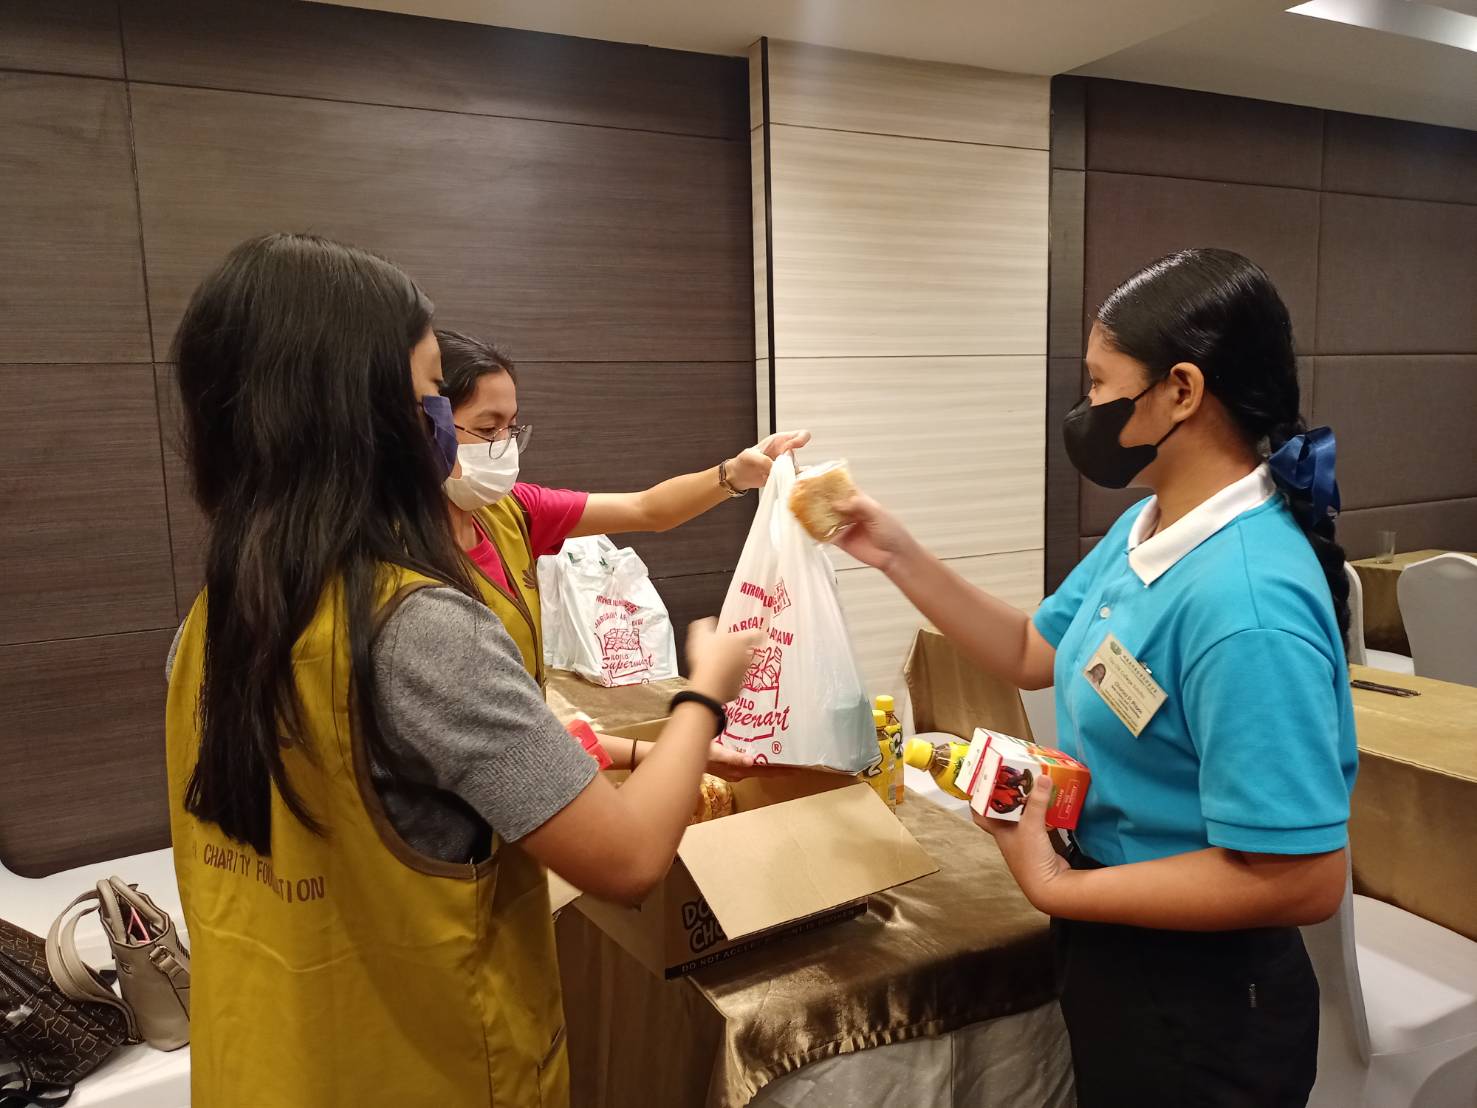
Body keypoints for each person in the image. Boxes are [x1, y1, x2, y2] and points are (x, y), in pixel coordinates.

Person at [164, 233, 761, 1108]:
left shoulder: (211, 622)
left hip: (268, 1066)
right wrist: (704, 693)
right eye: (427, 396)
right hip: (427, 1068)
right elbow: (628, 860)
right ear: (359, 419)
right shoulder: (416, 629)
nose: (444, 424)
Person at [834, 249, 1356, 1107]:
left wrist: (1052, 881)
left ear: (1180, 391)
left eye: (1099, 382)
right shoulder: (1149, 525)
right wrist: (893, 552)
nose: (1084, 409)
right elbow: (1033, 652)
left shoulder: (1246, 603)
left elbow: (1301, 877)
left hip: (1208, 999)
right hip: (1120, 944)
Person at [434, 327, 808, 776]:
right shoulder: (406, 569)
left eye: (511, 428)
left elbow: (647, 508)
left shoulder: (511, 511)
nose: (504, 446)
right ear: (428, 424)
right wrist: (701, 702)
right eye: (486, 428)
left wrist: (734, 473)